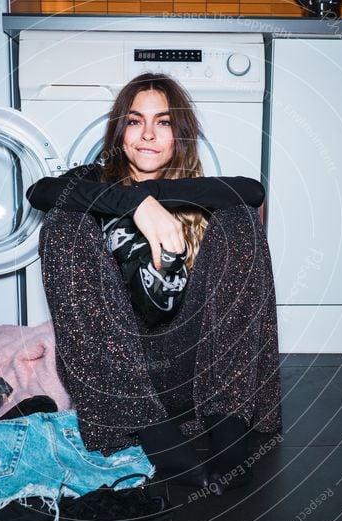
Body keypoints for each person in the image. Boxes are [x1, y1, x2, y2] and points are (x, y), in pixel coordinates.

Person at [26, 73, 281, 494]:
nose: (147, 135)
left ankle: (229, 431)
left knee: (238, 218)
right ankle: (159, 441)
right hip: (117, 375)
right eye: (134, 121)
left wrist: (156, 194)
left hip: (196, 370)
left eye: (162, 122)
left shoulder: (201, 191)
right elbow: (40, 190)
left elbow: (252, 190)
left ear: (178, 135)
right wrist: (131, 200)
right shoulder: (93, 180)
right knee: (64, 222)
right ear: (118, 131)